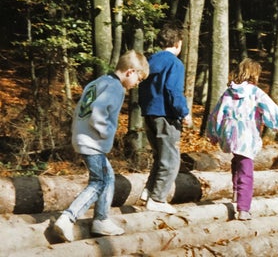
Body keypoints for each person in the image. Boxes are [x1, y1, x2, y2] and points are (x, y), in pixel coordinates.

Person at [54, 50, 150, 242]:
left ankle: (101, 220)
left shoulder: (98, 82)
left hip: (83, 137)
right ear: (130, 71)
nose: (137, 84)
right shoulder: (115, 87)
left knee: (108, 177)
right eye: (138, 79)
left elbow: (80, 109)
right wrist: (107, 134)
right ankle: (68, 218)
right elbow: (97, 114)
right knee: (98, 182)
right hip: (92, 141)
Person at [206, 58, 278, 220]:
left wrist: (213, 133)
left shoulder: (228, 92)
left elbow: (216, 114)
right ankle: (244, 208)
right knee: (247, 170)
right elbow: (271, 110)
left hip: (230, 134)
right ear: (254, 75)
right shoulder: (255, 92)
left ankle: (237, 191)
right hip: (246, 136)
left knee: (237, 160)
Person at [138, 21, 192, 214]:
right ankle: (157, 199)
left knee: (160, 156)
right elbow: (173, 90)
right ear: (177, 43)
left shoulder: (150, 61)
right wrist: (184, 112)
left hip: (149, 114)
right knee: (171, 159)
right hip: (167, 116)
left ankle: (148, 191)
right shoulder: (174, 64)